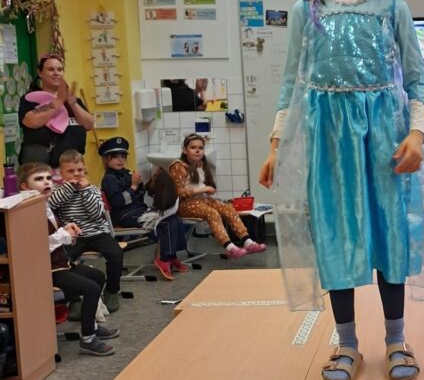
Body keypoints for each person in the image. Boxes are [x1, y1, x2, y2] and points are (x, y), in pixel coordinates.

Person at [258, 0, 424, 380]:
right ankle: (346, 343)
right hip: (329, 147)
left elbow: (417, 80)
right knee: (336, 239)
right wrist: (278, 145)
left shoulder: (393, 9)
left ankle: (396, 339)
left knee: (390, 236)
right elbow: (291, 83)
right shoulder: (306, 13)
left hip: (386, 144)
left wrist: (417, 134)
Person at [18, 162, 119, 357]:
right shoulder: (26, 211)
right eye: (39, 179)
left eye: (48, 178)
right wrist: (63, 235)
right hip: (46, 269)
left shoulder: (43, 204)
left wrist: (65, 229)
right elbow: (34, 247)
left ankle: (91, 326)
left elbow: (50, 234)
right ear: (24, 186)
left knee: (98, 276)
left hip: (59, 263)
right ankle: (88, 339)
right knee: (91, 288)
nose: (46, 182)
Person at [99, 137, 189, 281]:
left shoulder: (127, 173)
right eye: (115, 157)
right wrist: (133, 186)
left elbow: (139, 197)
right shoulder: (109, 179)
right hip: (124, 216)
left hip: (139, 210)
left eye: (123, 156)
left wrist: (146, 184)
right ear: (106, 159)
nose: (120, 160)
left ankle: (171, 255)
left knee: (176, 219)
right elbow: (118, 202)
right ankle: (164, 258)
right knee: (166, 223)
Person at [169, 134, 266, 259]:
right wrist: (202, 189)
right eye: (193, 147)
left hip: (201, 200)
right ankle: (230, 248)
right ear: (184, 150)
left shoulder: (201, 165)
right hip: (183, 204)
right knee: (212, 213)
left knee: (228, 208)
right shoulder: (178, 166)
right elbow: (177, 192)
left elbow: (201, 186)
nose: (197, 151)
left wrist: (207, 190)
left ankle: (248, 242)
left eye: (200, 148)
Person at [49, 150, 124, 312]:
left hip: (97, 233)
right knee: (65, 261)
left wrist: (85, 190)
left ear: (84, 169)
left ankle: (111, 291)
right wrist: (69, 188)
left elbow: (95, 213)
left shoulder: (93, 189)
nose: (76, 174)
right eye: (70, 171)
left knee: (116, 254)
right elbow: (51, 204)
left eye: (80, 170)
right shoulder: (57, 190)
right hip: (73, 236)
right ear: (61, 173)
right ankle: (74, 299)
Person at [18, 54, 94, 167]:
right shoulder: (31, 99)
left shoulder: (73, 100)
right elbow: (32, 120)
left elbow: (89, 125)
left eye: (59, 69)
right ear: (40, 73)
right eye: (50, 69)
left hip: (72, 168)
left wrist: (73, 104)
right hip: (41, 169)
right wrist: (58, 101)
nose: (56, 73)